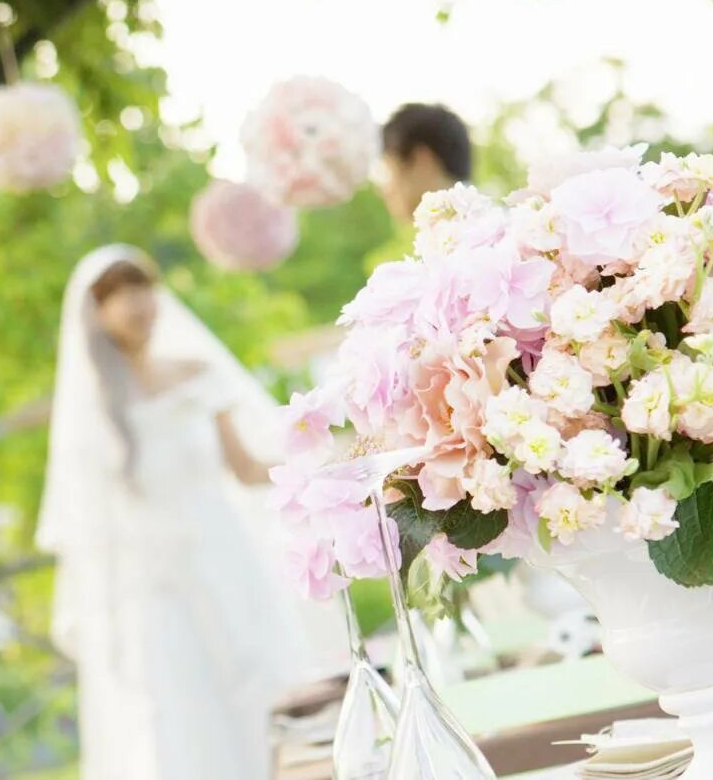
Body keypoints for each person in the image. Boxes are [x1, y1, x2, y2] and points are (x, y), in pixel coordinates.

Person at [37, 244, 340, 780]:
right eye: (118, 295)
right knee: (177, 717)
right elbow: (90, 520)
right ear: (97, 313)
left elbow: (246, 467)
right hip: (155, 588)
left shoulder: (197, 374)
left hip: (227, 561)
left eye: (142, 288)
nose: (136, 304)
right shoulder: (93, 411)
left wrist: (325, 458)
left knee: (263, 695)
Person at [379, 102, 473, 223]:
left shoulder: (477, 232)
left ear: (421, 161)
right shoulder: (484, 221)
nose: (385, 191)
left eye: (388, 172)